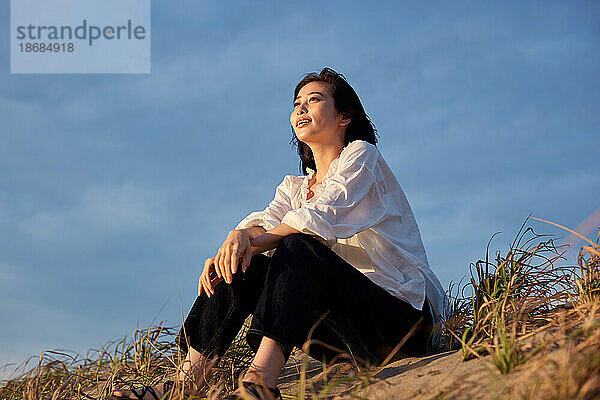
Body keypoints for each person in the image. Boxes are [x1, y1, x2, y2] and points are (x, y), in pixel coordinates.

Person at [112, 67, 447, 400]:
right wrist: (236, 240)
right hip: (348, 339)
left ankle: (261, 381)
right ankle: (187, 382)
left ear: (344, 116)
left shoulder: (362, 157)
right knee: (248, 262)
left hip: (404, 325)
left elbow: (318, 217)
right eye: (296, 103)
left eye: (313, 100)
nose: (300, 108)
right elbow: (267, 221)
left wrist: (249, 243)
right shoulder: (295, 187)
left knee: (296, 244)